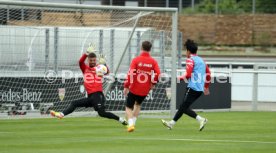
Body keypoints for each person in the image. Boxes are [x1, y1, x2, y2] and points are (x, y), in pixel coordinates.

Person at [50, 44, 127, 126]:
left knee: (102, 113)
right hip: (91, 97)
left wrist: (103, 64)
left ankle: (121, 120)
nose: (93, 62)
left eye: (94, 60)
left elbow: (107, 72)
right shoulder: (85, 68)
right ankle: (61, 115)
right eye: (91, 60)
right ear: (88, 60)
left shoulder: (98, 68)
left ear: (96, 60)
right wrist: (86, 53)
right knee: (74, 103)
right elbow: (80, 62)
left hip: (98, 95)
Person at [161, 39, 211, 131]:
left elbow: (188, 75)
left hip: (192, 87)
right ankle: (171, 124)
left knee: (183, 107)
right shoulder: (202, 61)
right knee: (183, 106)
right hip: (199, 89)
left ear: (188, 51)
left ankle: (201, 119)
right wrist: (206, 87)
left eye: (185, 50)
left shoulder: (190, 60)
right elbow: (208, 74)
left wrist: (178, 79)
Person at [124, 41, 161, 132]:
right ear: (150, 49)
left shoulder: (136, 60)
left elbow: (131, 73)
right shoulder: (153, 61)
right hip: (145, 89)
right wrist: (153, 83)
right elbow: (158, 74)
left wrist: (126, 85)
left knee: (128, 107)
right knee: (138, 105)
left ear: (141, 48)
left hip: (134, 87)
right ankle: (133, 123)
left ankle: (131, 124)